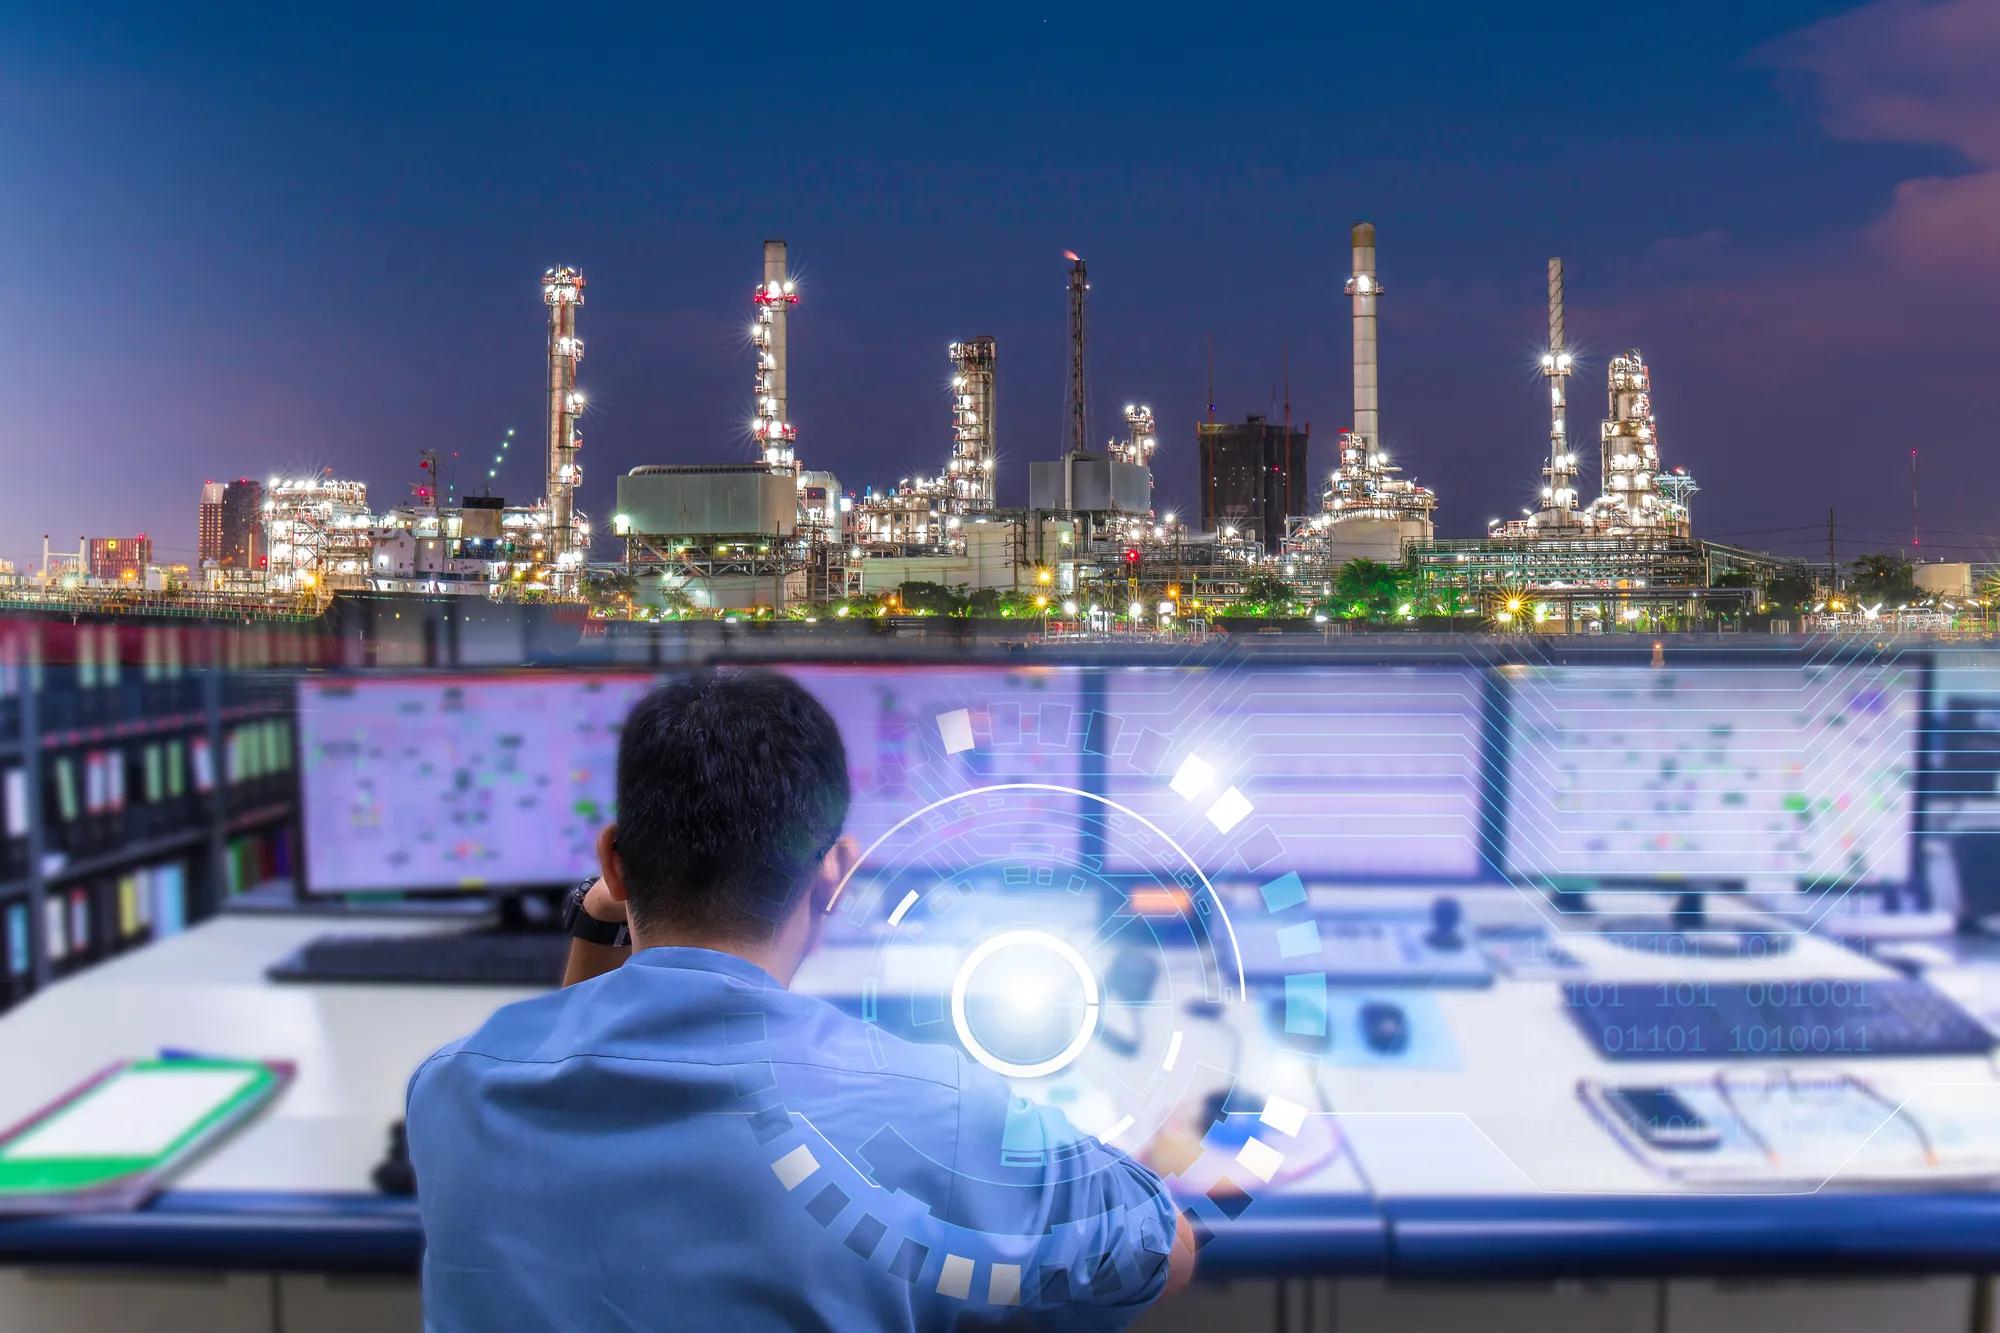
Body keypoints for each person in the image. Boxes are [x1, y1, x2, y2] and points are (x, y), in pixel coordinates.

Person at [408, 669, 1196, 1331]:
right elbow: (1163, 1249)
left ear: (615, 863)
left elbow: (572, 1050)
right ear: (836, 873)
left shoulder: (455, 1086)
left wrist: (593, 926)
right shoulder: (936, 1113)